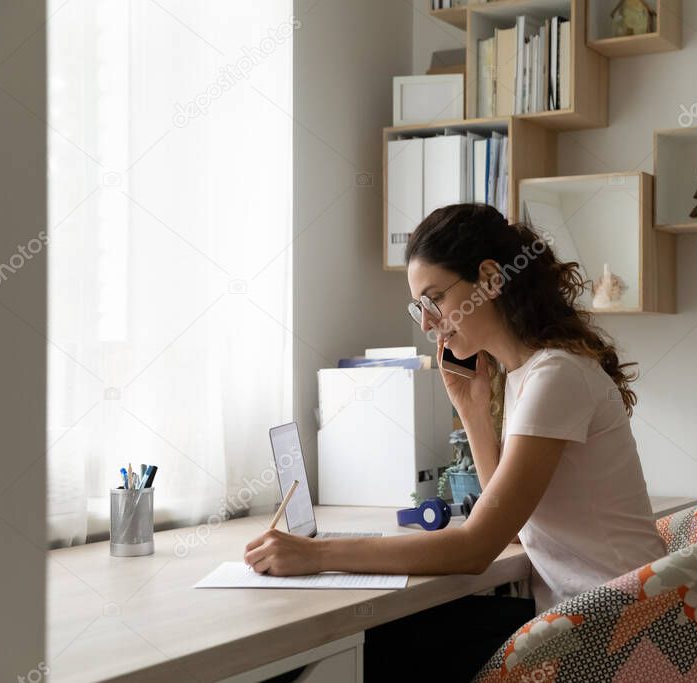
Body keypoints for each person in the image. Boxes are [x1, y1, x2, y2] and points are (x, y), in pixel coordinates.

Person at [244, 203, 665, 680]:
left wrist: (314, 555)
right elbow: (507, 530)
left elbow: (476, 546)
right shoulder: (529, 374)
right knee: (396, 642)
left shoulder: (556, 377)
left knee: (385, 650)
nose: (426, 323)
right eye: (418, 306)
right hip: (590, 620)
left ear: (489, 279)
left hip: (619, 635)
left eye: (434, 299)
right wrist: (472, 407)